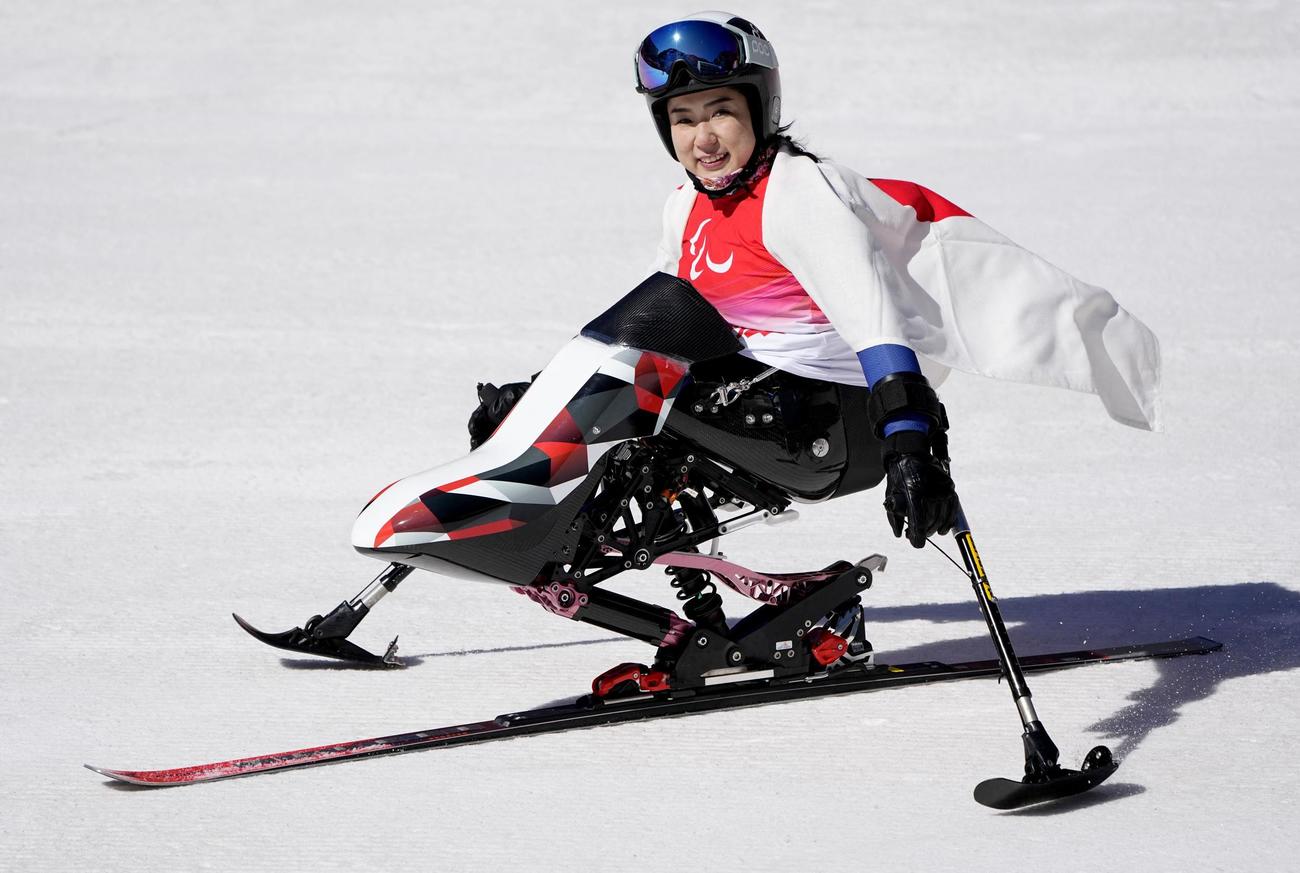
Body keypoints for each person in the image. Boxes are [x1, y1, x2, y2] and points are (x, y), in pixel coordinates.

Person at [473, 11, 1161, 551]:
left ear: (758, 110)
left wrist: (913, 445)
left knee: (621, 402)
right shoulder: (685, 208)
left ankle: (513, 528)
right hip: (750, 404)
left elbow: (876, 325)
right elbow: (661, 327)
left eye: (719, 112)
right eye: (681, 119)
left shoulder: (797, 193)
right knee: (589, 407)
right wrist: (545, 398)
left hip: (838, 426)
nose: (702, 138)